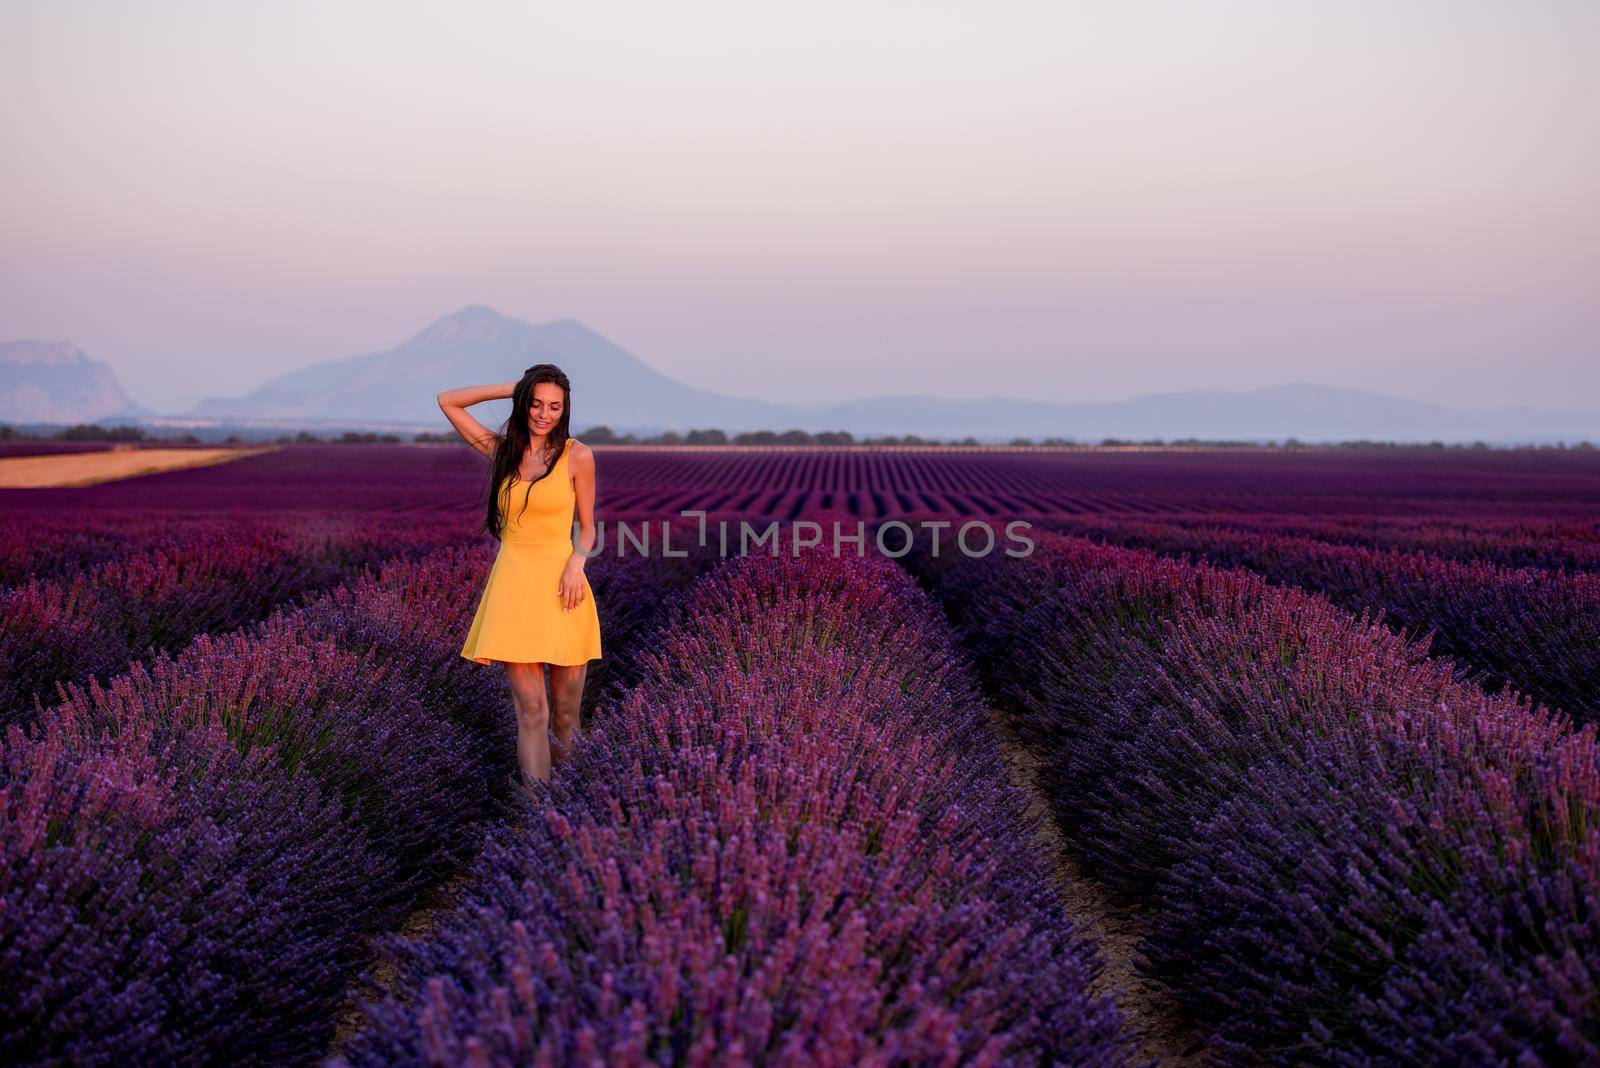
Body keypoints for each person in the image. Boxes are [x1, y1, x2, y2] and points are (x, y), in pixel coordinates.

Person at [436, 364, 602, 794]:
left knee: (566, 716)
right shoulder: (502, 451)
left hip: (564, 589)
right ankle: (537, 819)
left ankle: (572, 806)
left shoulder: (577, 455)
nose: (544, 413)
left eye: (554, 406)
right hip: (513, 590)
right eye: (535, 403)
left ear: (565, 410)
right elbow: (448, 400)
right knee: (531, 713)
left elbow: (588, 528)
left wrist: (576, 563)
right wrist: (514, 387)